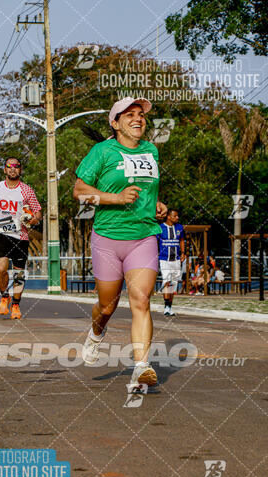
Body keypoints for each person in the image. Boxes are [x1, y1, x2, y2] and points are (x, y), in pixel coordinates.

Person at [73, 96, 167, 388]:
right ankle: (96, 333)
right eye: (129, 115)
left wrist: (158, 204)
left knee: (141, 300)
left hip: (144, 236)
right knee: (107, 306)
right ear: (115, 123)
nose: (138, 119)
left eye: (141, 114)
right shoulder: (101, 152)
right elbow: (79, 193)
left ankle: (141, 367)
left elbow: (146, 190)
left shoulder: (151, 151)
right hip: (108, 238)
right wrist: (115, 198)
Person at [0, 157, 42, 320]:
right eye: (9, 166)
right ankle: (4, 295)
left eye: (16, 166)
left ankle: (16, 304)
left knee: (19, 274)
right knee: (1, 268)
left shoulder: (26, 190)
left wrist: (34, 219)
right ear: (5, 169)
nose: (13, 169)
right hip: (0, 233)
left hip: (20, 235)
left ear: (20, 170)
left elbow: (37, 211)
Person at [157, 208, 185, 315]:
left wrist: (183, 252)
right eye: (175, 216)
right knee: (166, 282)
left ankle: (170, 307)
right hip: (164, 259)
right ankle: (166, 306)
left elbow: (181, 240)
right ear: (168, 217)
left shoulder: (179, 227)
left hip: (176, 260)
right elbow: (155, 242)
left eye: (177, 216)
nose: (177, 218)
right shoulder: (160, 228)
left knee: (173, 283)